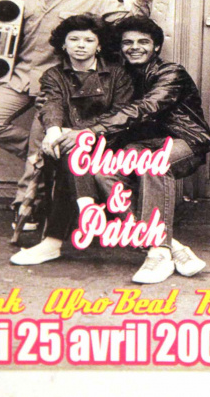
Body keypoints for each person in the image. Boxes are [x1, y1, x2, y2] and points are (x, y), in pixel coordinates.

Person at [0, 0, 161, 227]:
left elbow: (129, 25)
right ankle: (55, 158)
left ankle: (28, 209)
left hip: (61, 86)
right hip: (21, 78)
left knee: (41, 140)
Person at [84, 17, 210, 284]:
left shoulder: (171, 72)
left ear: (156, 47)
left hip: (185, 139)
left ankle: (159, 253)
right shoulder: (119, 75)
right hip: (141, 146)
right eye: (127, 42)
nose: (135, 47)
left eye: (143, 42)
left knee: (155, 165)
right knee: (103, 173)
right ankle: (168, 245)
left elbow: (146, 107)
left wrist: (94, 131)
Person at [9, 14, 133, 265]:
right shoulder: (53, 75)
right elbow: (52, 103)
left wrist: (80, 133)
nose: (81, 45)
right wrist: (54, 130)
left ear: (99, 45)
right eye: (74, 39)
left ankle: (53, 241)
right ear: (63, 45)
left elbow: (119, 115)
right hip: (70, 144)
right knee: (68, 152)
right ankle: (86, 207)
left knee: (70, 153)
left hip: (109, 142)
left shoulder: (117, 75)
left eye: (88, 40)